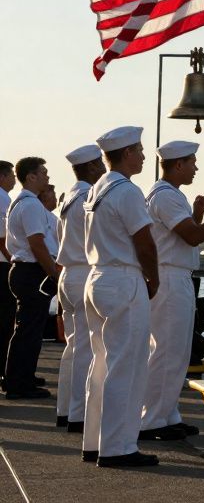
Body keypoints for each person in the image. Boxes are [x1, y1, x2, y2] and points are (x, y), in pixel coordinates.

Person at [83, 126, 160, 468]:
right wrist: (153, 278)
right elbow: (144, 240)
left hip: (98, 277)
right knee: (126, 368)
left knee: (101, 364)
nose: (144, 156)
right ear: (127, 153)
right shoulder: (126, 191)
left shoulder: (98, 189)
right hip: (123, 279)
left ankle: (94, 441)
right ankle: (117, 448)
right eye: (140, 150)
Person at [140, 140, 204, 440]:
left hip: (176, 275)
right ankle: (151, 419)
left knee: (175, 350)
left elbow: (185, 235)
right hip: (170, 277)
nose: (195, 168)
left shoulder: (170, 196)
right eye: (192, 162)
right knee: (166, 349)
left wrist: (198, 213)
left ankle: (166, 413)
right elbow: (192, 236)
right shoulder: (166, 197)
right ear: (178, 165)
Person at [55, 144, 103, 432]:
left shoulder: (69, 197)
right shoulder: (88, 196)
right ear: (92, 168)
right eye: (100, 164)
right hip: (84, 271)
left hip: (68, 274)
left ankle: (66, 410)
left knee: (74, 347)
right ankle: (80, 414)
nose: (104, 168)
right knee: (88, 347)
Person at [4, 157, 59, 399]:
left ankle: (18, 378)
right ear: (30, 177)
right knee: (29, 331)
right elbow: (37, 244)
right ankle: (19, 384)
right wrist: (54, 274)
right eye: (43, 172)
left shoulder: (24, 203)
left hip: (27, 270)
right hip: (32, 271)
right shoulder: (31, 205)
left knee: (27, 329)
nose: (47, 176)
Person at [0, 160, 15, 391]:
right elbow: (3, 237)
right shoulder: (3, 197)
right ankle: (5, 371)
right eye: (11, 174)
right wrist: (13, 260)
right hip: (2, 264)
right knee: (5, 322)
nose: (14, 178)